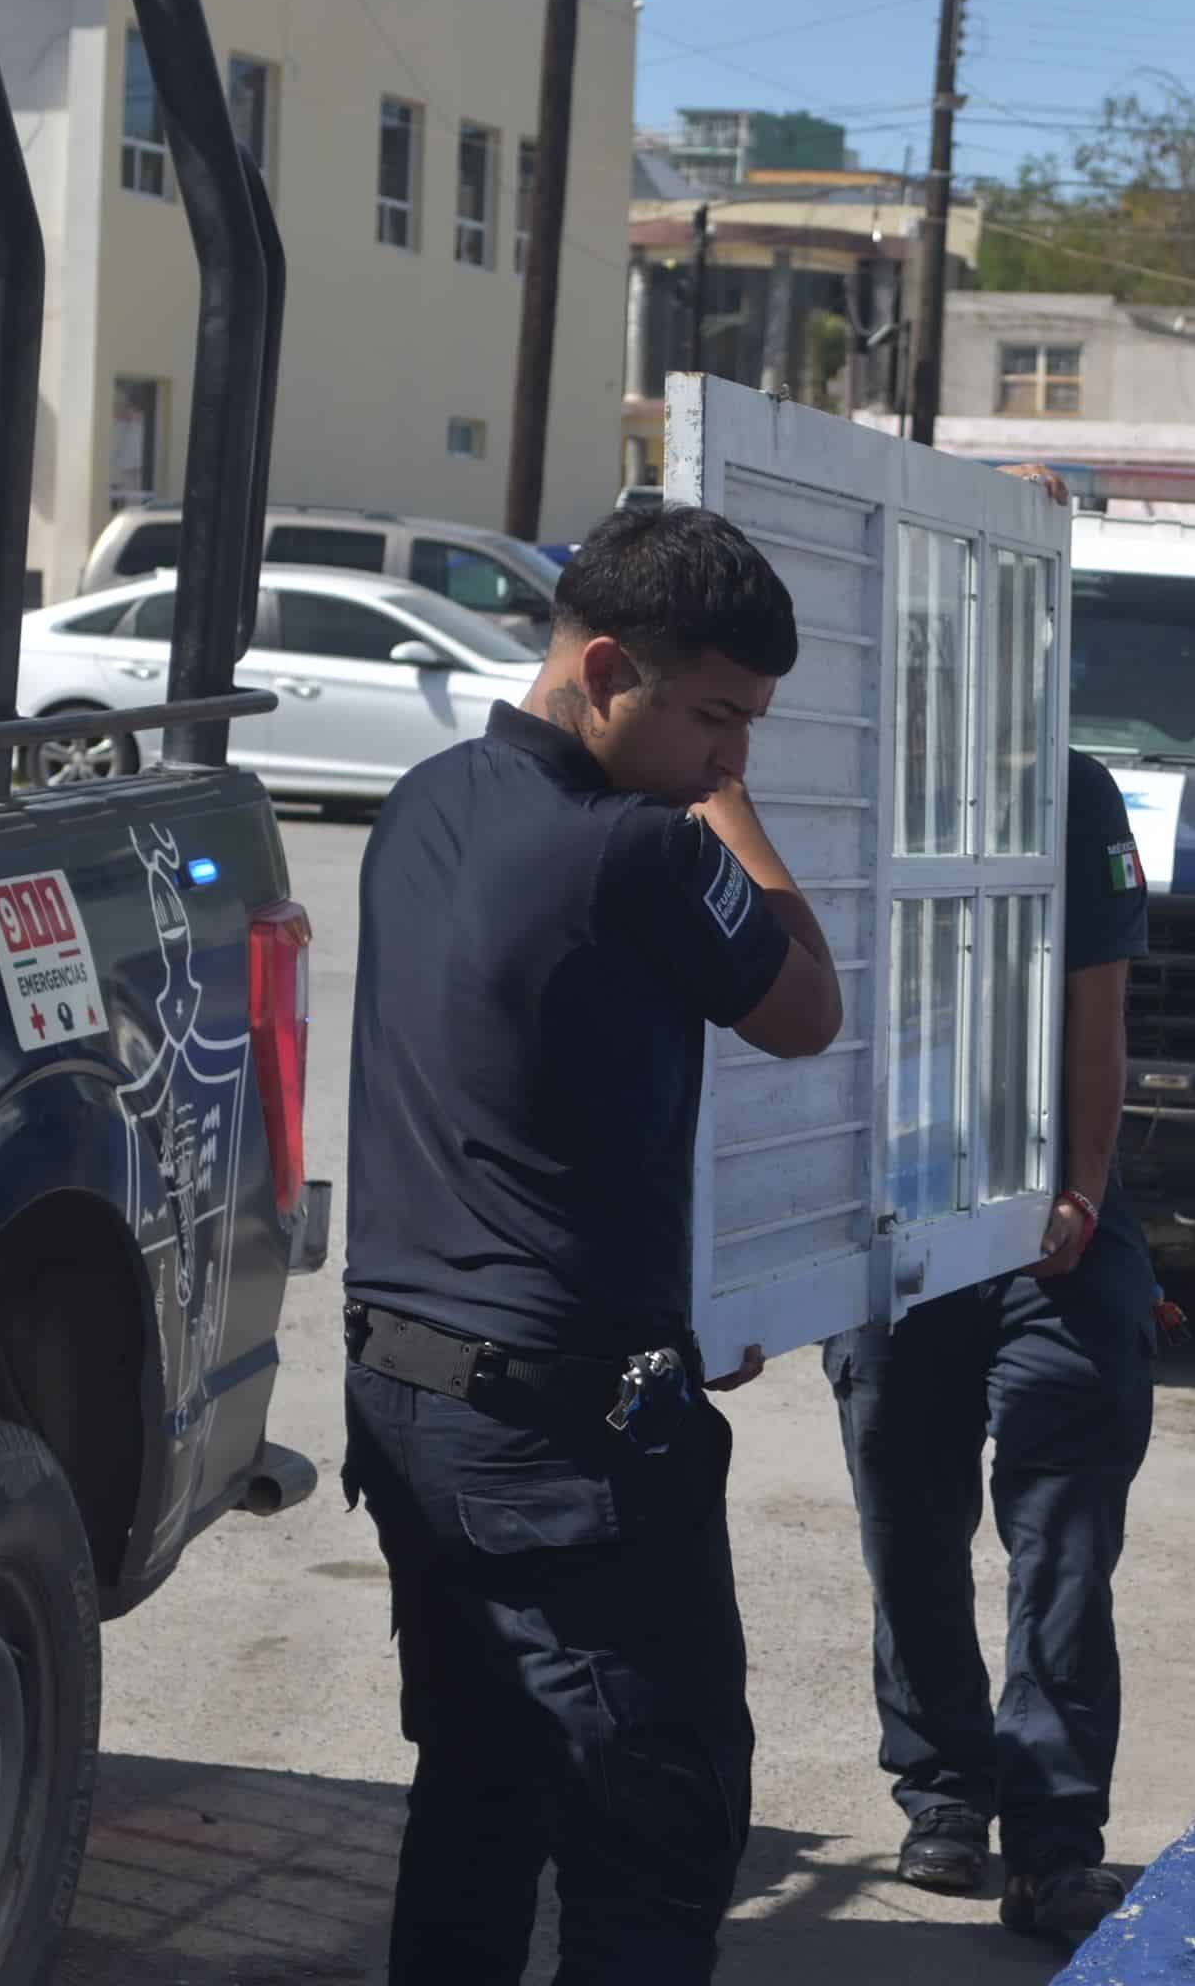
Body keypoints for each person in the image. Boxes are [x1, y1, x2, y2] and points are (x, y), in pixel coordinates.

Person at [337, 505, 843, 1983]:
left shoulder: (427, 801)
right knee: (655, 1837)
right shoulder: (634, 848)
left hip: (414, 1405)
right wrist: (721, 814)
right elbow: (805, 1002)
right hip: (563, 1447)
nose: (732, 756)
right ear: (606, 665)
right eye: (715, 717)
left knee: (480, 1802)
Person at [820, 737, 1158, 1950]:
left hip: (1049, 1223)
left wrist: (1077, 1182)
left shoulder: (1069, 790)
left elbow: (1095, 1004)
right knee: (907, 1522)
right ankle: (945, 1790)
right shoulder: (851, 775)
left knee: (1061, 1542)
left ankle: (1056, 1842)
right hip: (898, 1215)